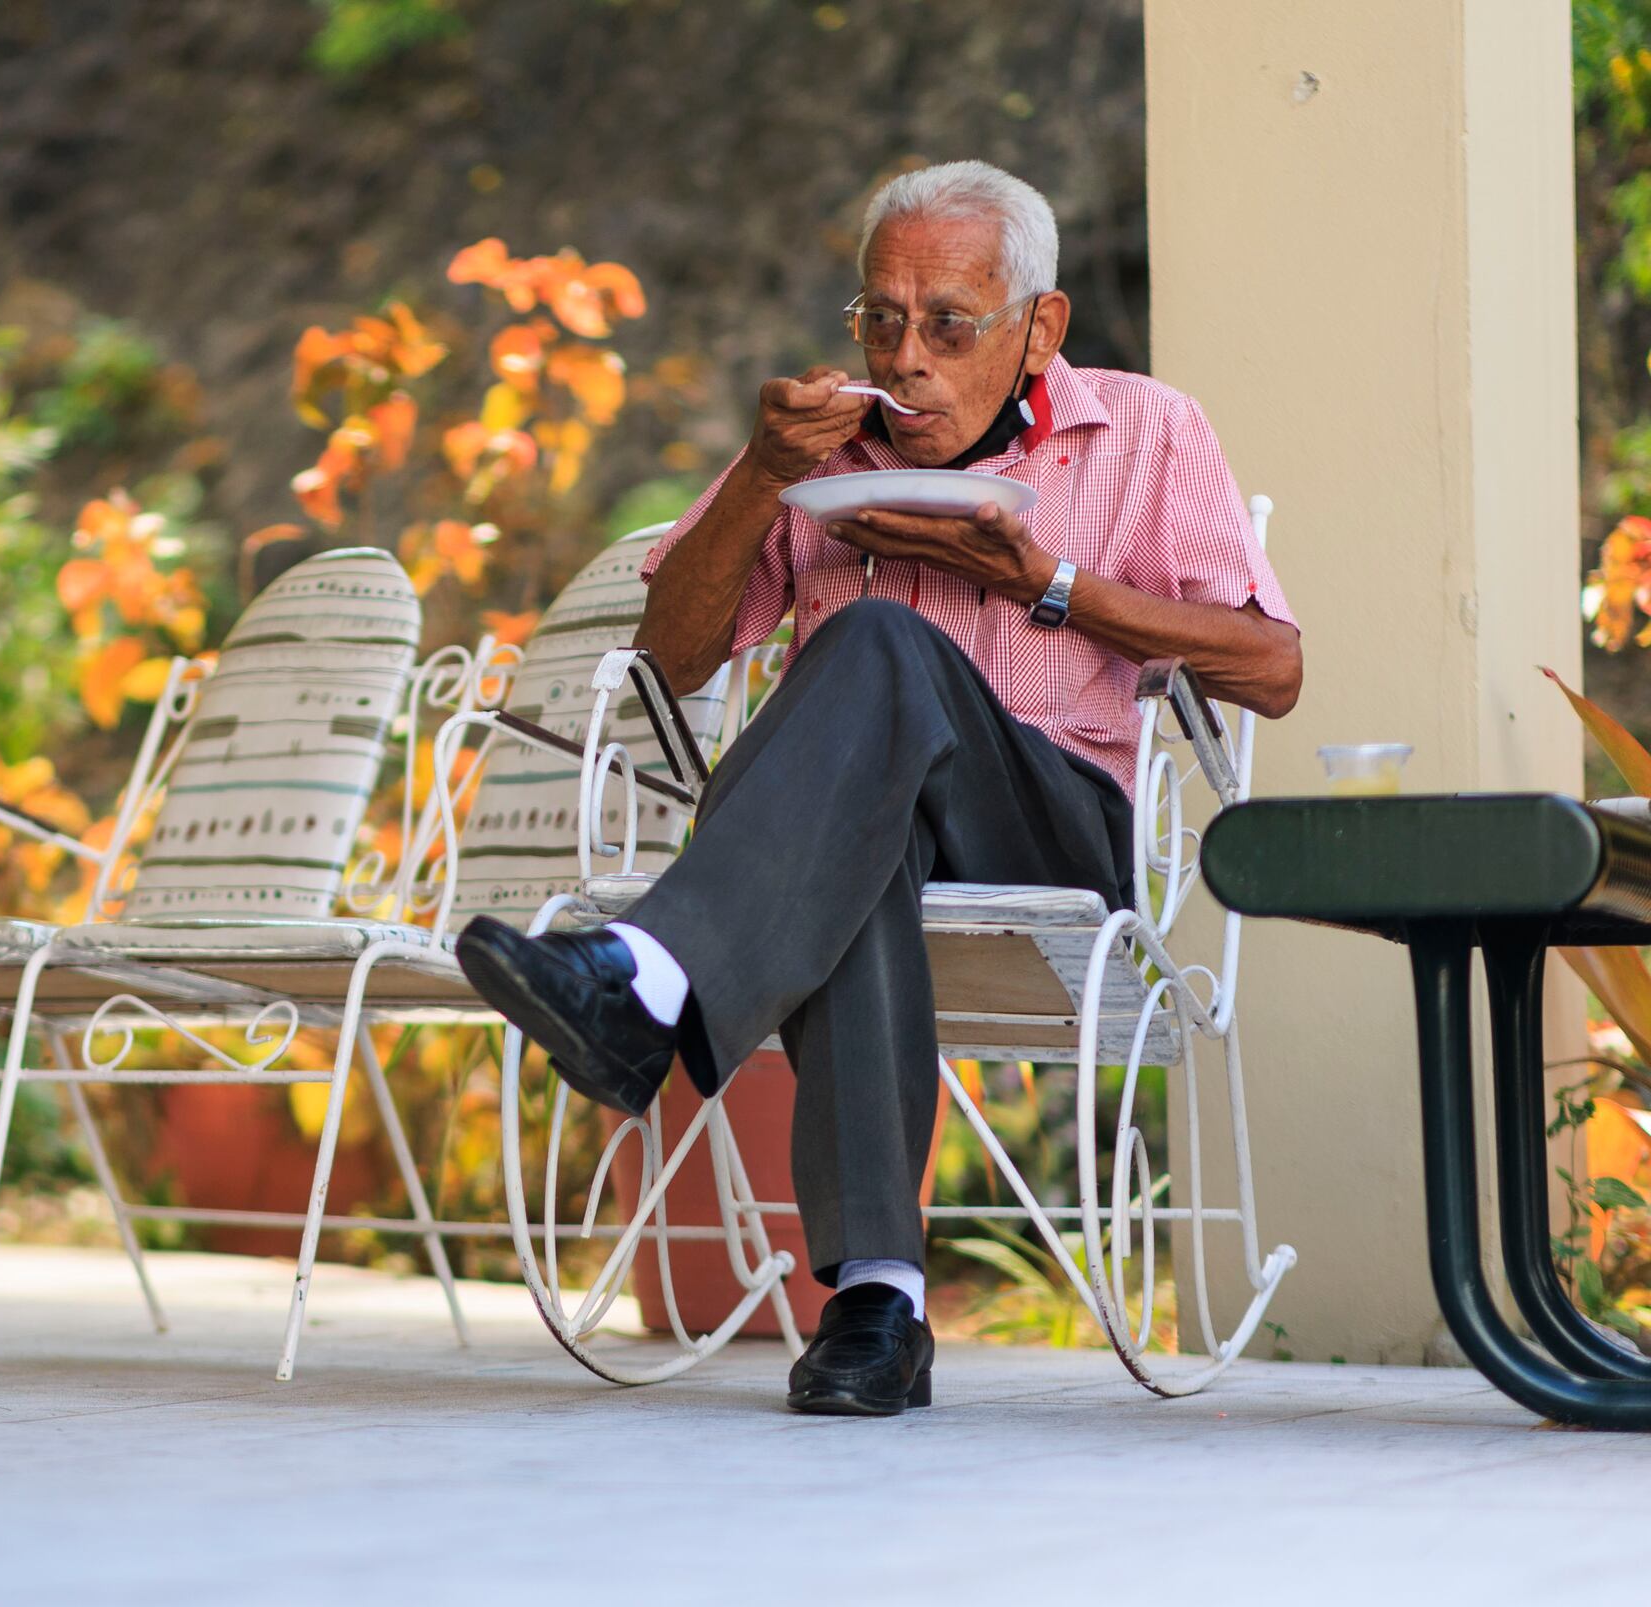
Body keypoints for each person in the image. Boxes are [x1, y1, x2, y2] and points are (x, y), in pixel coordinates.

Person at [456, 160, 1302, 1417]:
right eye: (879, 319)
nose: (905, 358)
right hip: (856, 842)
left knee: (873, 641)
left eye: (949, 325)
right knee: (862, 835)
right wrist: (756, 474)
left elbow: (1272, 670)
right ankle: (878, 1309)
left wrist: (1046, 584)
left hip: (1053, 828)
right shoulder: (820, 451)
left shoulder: (1145, 429)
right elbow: (674, 659)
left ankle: (645, 979)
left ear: (1037, 330)